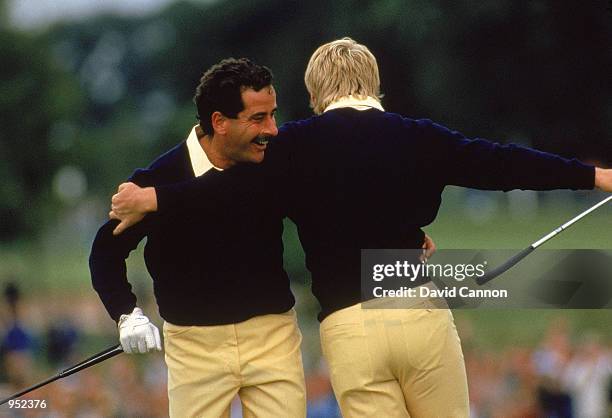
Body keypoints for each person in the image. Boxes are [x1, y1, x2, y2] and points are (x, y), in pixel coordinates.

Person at [109, 38, 612, 418]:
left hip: (348, 329)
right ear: (374, 85)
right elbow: (503, 165)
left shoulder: (292, 146)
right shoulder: (417, 135)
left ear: (313, 93)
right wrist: (596, 177)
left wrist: (156, 197)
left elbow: (225, 194)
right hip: (417, 310)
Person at [89, 58, 307, 418]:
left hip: (273, 336)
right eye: (258, 118)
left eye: (273, 114)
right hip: (194, 347)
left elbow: (238, 194)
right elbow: (104, 253)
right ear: (219, 122)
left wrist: (405, 234)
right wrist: (125, 313)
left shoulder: (269, 160)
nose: (273, 129)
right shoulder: (161, 174)